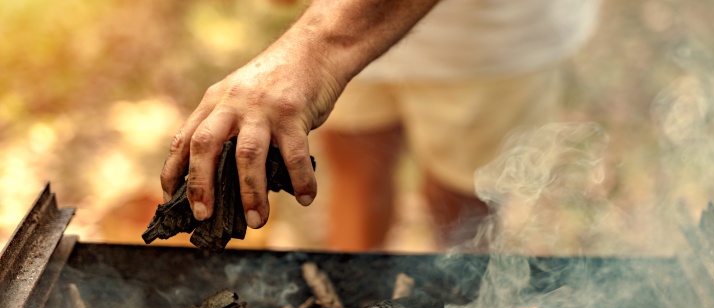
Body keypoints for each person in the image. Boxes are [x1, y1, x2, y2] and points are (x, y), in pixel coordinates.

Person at [159, 0, 600, 251]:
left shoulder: (321, 45)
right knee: (356, 165)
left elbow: (323, 44)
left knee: (462, 197)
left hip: (487, 35)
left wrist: (317, 48)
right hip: (332, 19)